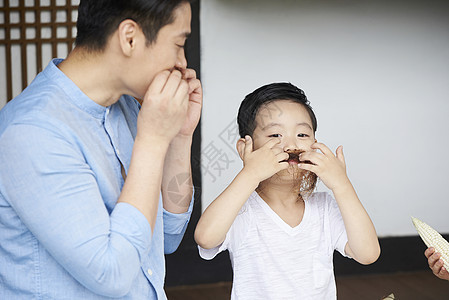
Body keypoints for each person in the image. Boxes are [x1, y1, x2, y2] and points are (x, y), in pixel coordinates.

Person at [0, 0, 201, 299]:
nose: (182, 62)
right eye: (178, 44)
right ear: (129, 38)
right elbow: (111, 274)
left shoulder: (131, 107)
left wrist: (180, 136)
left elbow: (168, 236)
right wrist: (154, 140)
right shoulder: (33, 131)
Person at [194, 82, 380, 299]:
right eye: (275, 135)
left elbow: (368, 254)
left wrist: (342, 184)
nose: (291, 144)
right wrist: (250, 173)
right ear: (246, 148)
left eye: (302, 135)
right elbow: (206, 238)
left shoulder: (324, 208)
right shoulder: (241, 210)